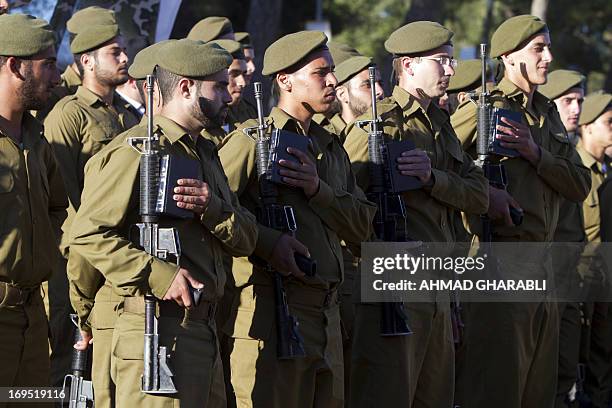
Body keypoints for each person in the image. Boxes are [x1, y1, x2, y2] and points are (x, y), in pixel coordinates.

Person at [69, 39, 258, 407]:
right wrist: (159, 274)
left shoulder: (204, 151)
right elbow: (87, 234)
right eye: (218, 86)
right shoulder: (136, 151)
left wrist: (212, 208)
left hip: (201, 329)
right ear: (186, 88)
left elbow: (246, 239)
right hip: (154, 331)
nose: (229, 96)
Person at [218, 30, 376, 408]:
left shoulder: (328, 146)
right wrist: (266, 245)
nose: (334, 81)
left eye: (333, 72)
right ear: (285, 80)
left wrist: (317, 188)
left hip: (327, 314)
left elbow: (363, 226)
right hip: (272, 312)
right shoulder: (251, 142)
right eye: (321, 73)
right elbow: (216, 215)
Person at [343, 21, 489, 408]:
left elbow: (479, 195)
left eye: (451, 61)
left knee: (435, 397)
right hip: (395, 287)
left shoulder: (441, 125)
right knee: (388, 395)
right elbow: (345, 208)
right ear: (407, 66)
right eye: (441, 61)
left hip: (439, 287)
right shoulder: (379, 126)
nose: (451, 71)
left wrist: (432, 178)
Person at [452, 15, 591, 407]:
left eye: (548, 47)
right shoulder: (486, 109)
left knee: (537, 392)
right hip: (499, 265)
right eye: (538, 49)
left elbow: (579, 184)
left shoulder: (546, 114)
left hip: (543, 267)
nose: (549, 57)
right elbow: (442, 161)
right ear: (509, 57)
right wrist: (482, 197)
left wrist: (535, 152)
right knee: (497, 389)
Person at [42, 20, 139, 389]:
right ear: (87, 61)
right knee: (66, 361)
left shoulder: (128, 117)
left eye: (123, 50)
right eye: (115, 52)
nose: (125, 58)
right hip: (78, 261)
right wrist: (80, 258)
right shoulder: (70, 114)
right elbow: (62, 196)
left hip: (116, 261)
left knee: (106, 365)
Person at [0, 13, 67, 395]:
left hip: (32, 317)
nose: (57, 78)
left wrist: (34, 246)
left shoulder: (37, 141)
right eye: (48, 65)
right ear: (14, 65)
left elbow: (57, 208)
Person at [538, 69, 588, 407]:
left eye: (580, 101)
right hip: (541, 276)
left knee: (566, 368)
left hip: (569, 277)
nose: (575, 110)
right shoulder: (540, 147)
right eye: (567, 101)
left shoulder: (568, 153)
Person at [576, 92, 612, 408]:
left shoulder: (607, 171)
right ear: (587, 127)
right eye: (610, 123)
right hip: (578, 283)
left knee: (603, 363)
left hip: (605, 283)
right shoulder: (573, 170)